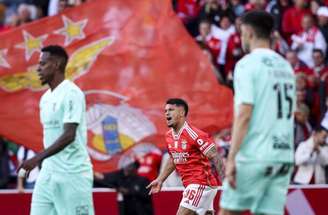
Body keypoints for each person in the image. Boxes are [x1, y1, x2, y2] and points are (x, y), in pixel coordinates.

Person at [220, 11, 296, 215]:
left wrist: (231, 158)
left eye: (242, 33)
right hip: (283, 156)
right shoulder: (286, 66)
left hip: (255, 155)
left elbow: (244, 114)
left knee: (228, 212)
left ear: (249, 33)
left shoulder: (247, 64)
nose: (241, 38)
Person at [17, 45, 94, 215]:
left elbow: (69, 135)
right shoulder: (45, 98)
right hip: (48, 173)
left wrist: (37, 158)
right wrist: (42, 161)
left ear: (57, 64)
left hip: (73, 174)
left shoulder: (72, 93)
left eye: (43, 64)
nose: (38, 68)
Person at [147, 98, 224, 215]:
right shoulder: (169, 136)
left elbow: (215, 156)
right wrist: (160, 179)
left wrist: (226, 182)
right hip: (191, 184)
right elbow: (174, 158)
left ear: (182, 113)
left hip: (201, 183)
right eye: (165, 110)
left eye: (171, 110)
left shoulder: (194, 134)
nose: (167, 113)